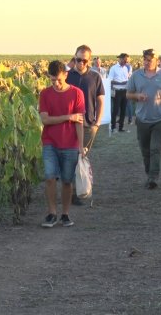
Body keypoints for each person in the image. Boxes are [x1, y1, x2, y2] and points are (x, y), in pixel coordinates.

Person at [39, 60, 85, 227]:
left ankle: (65, 214)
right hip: (50, 141)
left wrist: (81, 145)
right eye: (52, 80)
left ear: (66, 75)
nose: (56, 84)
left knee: (67, 180)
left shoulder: (77, 93)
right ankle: (52, 213)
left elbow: (79, 121)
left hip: (70, 143)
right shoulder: (44, 94)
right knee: (50, 177)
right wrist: (68, 117)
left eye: (58, 79)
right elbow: (45, 120)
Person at [127, 49, 161, 189]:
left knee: (155, 149)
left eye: (150, 60)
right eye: (145, 59)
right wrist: (137, 96)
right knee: (145, 151)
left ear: (156, 60)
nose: (147, 62)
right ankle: (149, 173)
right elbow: (128, 94)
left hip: (160, 119)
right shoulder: (136, 75)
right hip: (142, 119)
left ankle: (153, 177)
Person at [66, 45, 105, 205]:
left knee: (82, 156)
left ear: (89, 61)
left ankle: (80, 189)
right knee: (72, 157)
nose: (80, 63)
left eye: (84, 60)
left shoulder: (95, 77)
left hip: (88, 124)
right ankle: (75, 191)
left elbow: (100, 100)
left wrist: (97, 122)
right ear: (73, 58)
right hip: (69, 123)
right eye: (77, 59)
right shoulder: (67, 76)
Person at [108, 53, 130, 133]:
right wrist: (120, 83)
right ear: (120, 59)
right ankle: (113, 127)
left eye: (127, 60)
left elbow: (126, 79)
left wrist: (126, 83)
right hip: (117, 92)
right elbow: (110, 81)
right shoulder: (113, 68)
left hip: (125, 91)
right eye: (125, 60)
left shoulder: (126, 68)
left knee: (123, 110)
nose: (126, 62)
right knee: (115, 110)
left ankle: (121, 127)